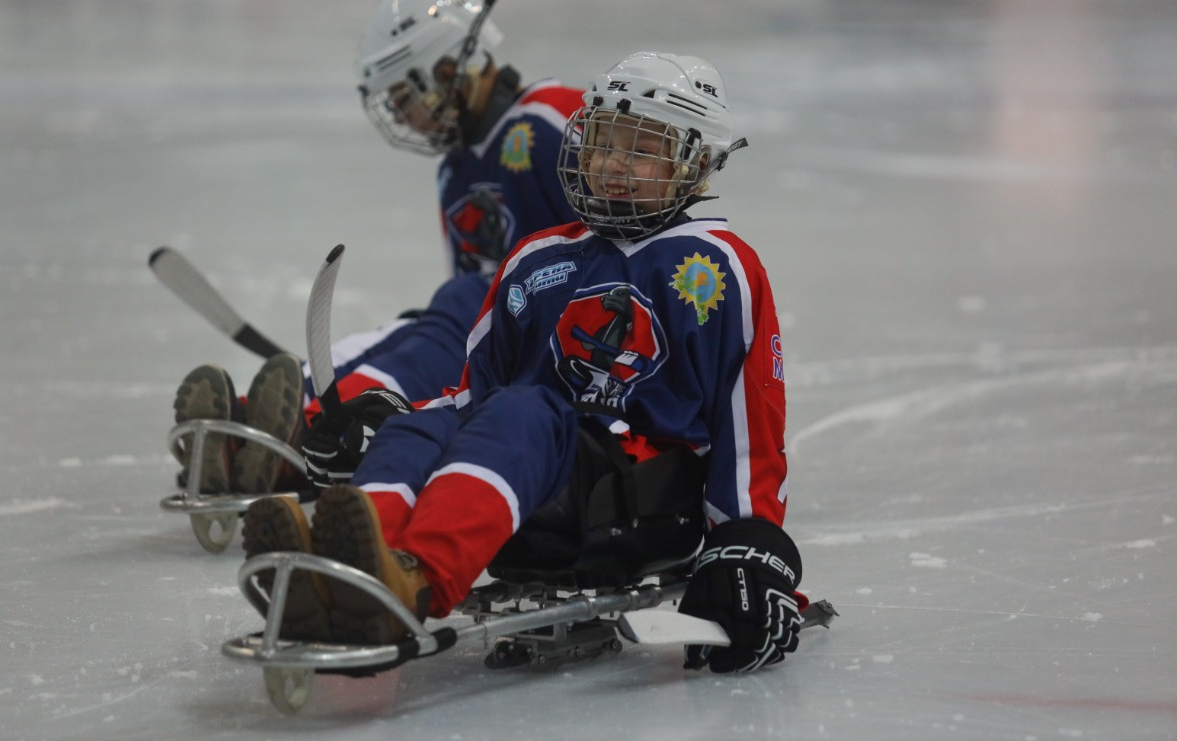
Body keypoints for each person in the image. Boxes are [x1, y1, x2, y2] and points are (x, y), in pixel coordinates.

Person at [242, 52, 806, 674]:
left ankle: (414, 581)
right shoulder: (536, 259)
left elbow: (749, 427)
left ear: (696, 163)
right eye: (601, 144)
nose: (612, 165)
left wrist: (749, 549)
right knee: (423, 427)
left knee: (523, 409)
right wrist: (381, 422)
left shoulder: (716, 267)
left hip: (634, 503)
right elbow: (468, 398)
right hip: (537, 484)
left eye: (641, 149)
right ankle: (347, 571)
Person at [171, 0, 584, 496]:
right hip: (499, 333)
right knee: (419, 328)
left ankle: (309, 425)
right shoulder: (455, 170)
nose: (402, 115)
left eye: (403, 96)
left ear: (448, 68)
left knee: (457, 312)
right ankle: (264, 418)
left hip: (562, 342)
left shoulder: (552, 119)